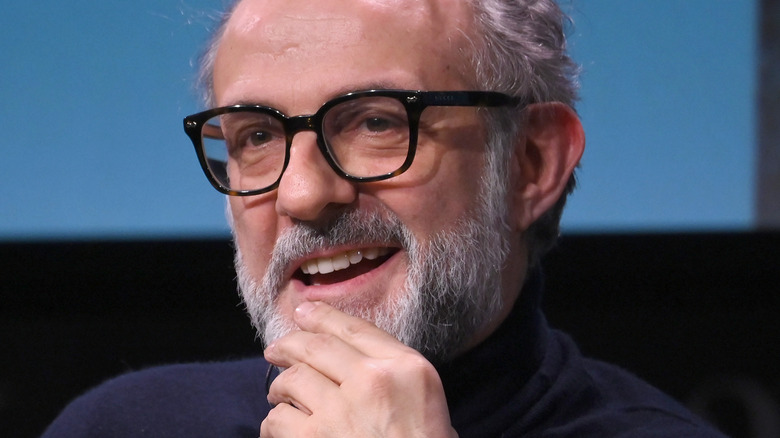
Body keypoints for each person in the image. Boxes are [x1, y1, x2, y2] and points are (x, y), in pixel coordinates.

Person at [43, 0, 727, 437]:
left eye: (376, 122)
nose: (302, 195)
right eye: (256, 136)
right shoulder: (124, 426)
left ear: (531, 162)